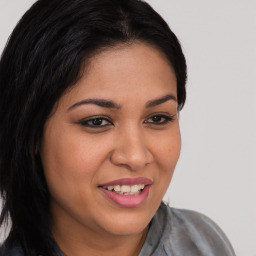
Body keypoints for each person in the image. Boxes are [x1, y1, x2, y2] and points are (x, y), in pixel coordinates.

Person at [0, 0, 236, 255]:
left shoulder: (203, 242)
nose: (135, 157)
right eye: (97, 121)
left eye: (157, 118)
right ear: (30, 132)